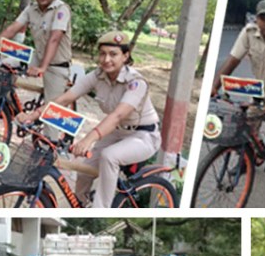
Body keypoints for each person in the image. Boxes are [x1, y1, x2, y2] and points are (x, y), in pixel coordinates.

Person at [18, 31, 161, 208]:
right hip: (116, 133)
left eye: (113, 54)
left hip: (143, 136)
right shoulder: (97, 75)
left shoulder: (136, 82)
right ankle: (81, 205)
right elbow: (66, 98)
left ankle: (101, 210)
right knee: (85, 171)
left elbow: (117, 116)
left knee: (109, 156)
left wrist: (88, 140)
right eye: (102, 54)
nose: (106, 59)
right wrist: (32, 115)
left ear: (125, 56)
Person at [211, 0, 265, 175]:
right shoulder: (248, 32)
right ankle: (246, 158)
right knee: (247, 117)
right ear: (256, 19)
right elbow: (232, 61)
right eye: (262, 18)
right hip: (259, 89)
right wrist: (214, 87)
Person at [0, 0, 72, 106]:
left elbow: (54, 39)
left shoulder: (61, 9)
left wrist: (42, 68)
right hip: (37, 56)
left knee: (50, 113)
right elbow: (12, 29)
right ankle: (7, 106)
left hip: (56, 65)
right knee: (4, 66)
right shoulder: (31, 8)